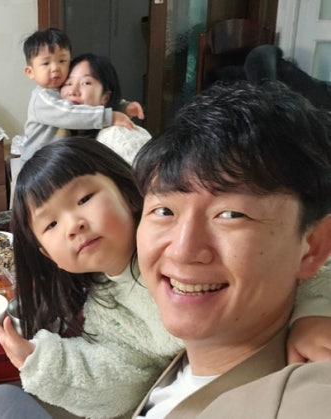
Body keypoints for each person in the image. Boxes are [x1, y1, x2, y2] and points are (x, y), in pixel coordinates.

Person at [0, 134, 331, 418]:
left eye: (84, 199)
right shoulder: (105, 307)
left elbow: (298, 257)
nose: (74, 224)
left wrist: (312, 314)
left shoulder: (177, 250)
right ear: (48, 256)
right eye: (51, 224)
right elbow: (124, 376)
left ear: (128, 194)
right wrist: (42, 360)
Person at [131, 80, 331, 417]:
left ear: (312, 247)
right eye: (164, 211)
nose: (182, 250)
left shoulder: (310, 397)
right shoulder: (188, 361)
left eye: (231, 215)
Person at [19, 28, 143, 166]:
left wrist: (122, 106)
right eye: (46, 63)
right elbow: (70, 113)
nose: (55, 68)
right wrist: (109, 116)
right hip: (36, 165)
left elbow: (85, 107)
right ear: (30, 72)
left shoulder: (60, 90)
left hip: (56, 162)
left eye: (62, 60)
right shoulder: (42, 98)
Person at [60, 53, 152, 164]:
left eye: (86, 83)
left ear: (105, 97)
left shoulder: (117, 136)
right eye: (68, 83)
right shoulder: (60, 130)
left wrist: (113, 114)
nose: (72, 91)